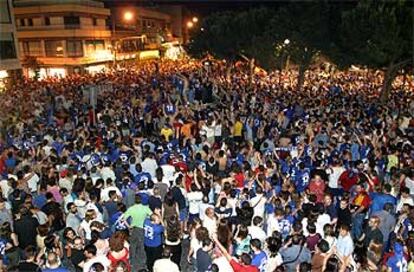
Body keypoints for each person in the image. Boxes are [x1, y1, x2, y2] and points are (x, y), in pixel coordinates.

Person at [122, 194, 152, 271]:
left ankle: (131, 261)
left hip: (133, 229)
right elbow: (152, 216)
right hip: (142, 229)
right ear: (141, 200)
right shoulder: (146, 208)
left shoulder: (131, 209)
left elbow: (123, 219)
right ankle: (143, 262)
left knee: (132, 245)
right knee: (141, 245)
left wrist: (129, 226)